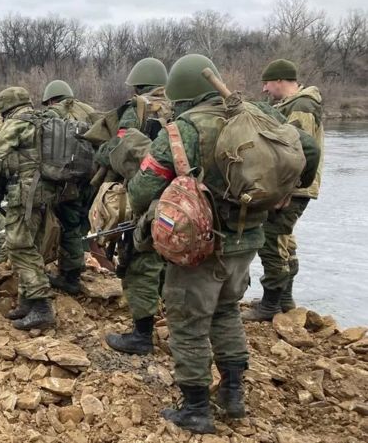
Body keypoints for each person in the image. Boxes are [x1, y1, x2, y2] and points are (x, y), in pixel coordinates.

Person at [127, 54, 320, 433]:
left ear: (182, 94)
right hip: (247, 239)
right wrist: (287, 191)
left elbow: (141, 191)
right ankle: (233, 395)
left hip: (197, 246)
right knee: (227, 310)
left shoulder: (183, 130)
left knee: (188, 321)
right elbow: (309, 150)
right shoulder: (259, 114)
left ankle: (196, 408)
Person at [99, 58, 171, 355]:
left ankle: (142, 335)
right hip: (184, 201)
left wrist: (102, 156)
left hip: (146, 193)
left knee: (140, 262)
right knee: (170, 258)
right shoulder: (181, 106)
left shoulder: (136, 110)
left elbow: (119, 149)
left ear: (138, 84)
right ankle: (172, 319)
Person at [243, 59, 325, 321]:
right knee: (285, 240)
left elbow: (298, 152)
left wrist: (285, 191)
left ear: (280, 80)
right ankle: (285, 300)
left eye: (267, 83)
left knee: (271, 238)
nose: (265, 89)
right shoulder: (287, 105)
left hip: (294, 188)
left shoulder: (302, 106)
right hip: (292, 187)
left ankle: (270, 305)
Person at [0, 87, 59, 331]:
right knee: (32, 244)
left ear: (6, 109)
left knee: (18, 246)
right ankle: (27, 302)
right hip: (47, 192)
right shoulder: (46, 120)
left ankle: (41, 307)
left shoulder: (16, 124)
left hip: (24, 194)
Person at [41, 80, 98, 295]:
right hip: (92, 179)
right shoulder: (89, 110)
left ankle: (70, 277)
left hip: (69, 181)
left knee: (69, 226)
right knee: (82, 222)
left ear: (52, 99)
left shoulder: (55, 113)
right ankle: (78, 264)